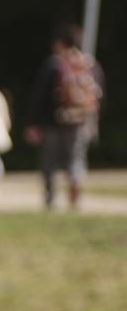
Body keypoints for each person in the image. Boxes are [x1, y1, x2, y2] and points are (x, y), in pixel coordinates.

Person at [27, 22, 106, 211]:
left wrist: (33, 123)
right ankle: (74, 191)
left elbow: (40, 96)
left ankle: (50, 197)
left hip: (53, 121)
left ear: (59, 42)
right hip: (80, 122)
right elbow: (100, 96)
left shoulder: (53, 65)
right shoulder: (90, 64)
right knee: (76, 159)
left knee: (49, 161)